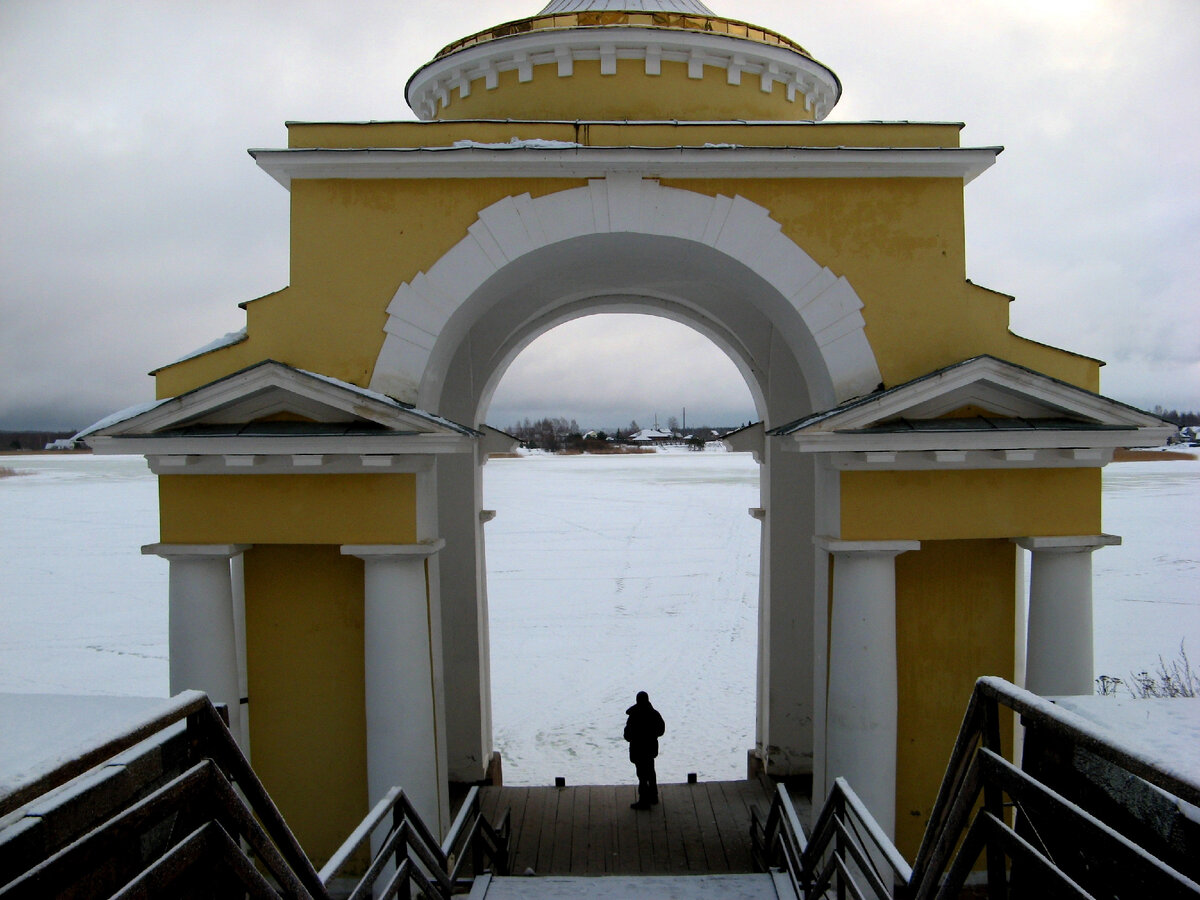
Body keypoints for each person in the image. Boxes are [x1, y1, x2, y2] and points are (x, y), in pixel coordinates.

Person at [623, 691, 665, 810]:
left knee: (642, 775)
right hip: (650, 749)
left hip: (638, 750)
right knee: (651, 772)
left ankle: (643, 800)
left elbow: (627, 735)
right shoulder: (654, 714)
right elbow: (661, 730)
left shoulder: (634, 716)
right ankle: (653, 796)